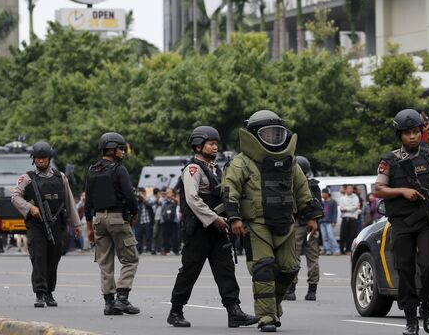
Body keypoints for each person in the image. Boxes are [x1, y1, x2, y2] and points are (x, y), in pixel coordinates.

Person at [222, 110, 322, 332]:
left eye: (277, 134)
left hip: (285, 222)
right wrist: (235, 218)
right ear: (254, 136)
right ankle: (266, 317)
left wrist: (312, 217)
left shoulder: (290, 162)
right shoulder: (241, 163)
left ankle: (273, 304)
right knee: (264, 267)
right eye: (268, 135)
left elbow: (303, 191)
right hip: (256, 224)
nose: (273, 139)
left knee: (289, 269)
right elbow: (230, 192)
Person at [375, 109, 429, 335]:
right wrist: (402, 191)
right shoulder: (389, 161)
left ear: (421, 132)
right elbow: (379, 189)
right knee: (405, 269)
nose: (412, 137)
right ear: (400, 135)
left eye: (415, 132)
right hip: (402, 223)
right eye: (407, 133)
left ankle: (427, 309)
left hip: (427, 221)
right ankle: (411, 318)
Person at [167, 126, 257, 328]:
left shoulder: (217, 169)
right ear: (198, 146)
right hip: (198, 230)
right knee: (189, 271)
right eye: (211, 143)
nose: (215, 147)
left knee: (226, 270)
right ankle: (175, 311)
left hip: (218, 229)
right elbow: (192, 199)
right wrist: (214, 217)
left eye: (216, 143)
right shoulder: (193, 169)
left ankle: (234, 312)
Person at [11, 141, 82, 307]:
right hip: (37, 225)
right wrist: (30, 208)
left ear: (50, 159)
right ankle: (40, 293)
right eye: (37, 158)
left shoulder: (60, 177)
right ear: (33, 159)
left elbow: (69, 201)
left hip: (57, 224)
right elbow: (15, 197)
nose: (41, 161)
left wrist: (77, 224)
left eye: (44, 158)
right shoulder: (26, 178)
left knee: (54, 257)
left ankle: (50, 292)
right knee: (39, 257)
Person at [85, 132, 140, 316]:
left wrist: (89, 227)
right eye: (121, 148)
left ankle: (109, 303)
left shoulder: (92, 170)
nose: (123, 152)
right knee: (130, 259)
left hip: (98, 219)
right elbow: (130, 195)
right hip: (117, 218)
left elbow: (88, 202)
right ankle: (122, 299)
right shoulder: (118, 169)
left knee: (105, 262)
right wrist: (135, 212)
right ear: (112, 149)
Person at [284, 156, 322, 302]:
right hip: (311, 225)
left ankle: (291, 289)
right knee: (313, 258)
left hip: (298, 224)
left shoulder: (296, 184)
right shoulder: (313, 185)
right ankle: (312, 290)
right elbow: (318, 206)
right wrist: (314, 219)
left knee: (293, 257)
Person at [339, 185, 360, 255]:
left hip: (353, 219)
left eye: (351, 188)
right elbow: (341, 208)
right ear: (346, 190)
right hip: (345, 218)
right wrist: (350, 208)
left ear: (353, 190)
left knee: (352, 235)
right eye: (348, 188)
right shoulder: (342, 198)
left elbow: (355, 207)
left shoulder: (355, 197)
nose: (349, 190)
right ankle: (341, 250)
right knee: (342, 235)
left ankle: (349, 250)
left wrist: (346, 208)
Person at [319, 189, 340, 256]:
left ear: (327, 193)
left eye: (323, 193)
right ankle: (327, 250)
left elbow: (335, 212)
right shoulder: (322, 202)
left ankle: (336, 250)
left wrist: (334, 221)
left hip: (329, 222)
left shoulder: (333, 202)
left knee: (331, 236)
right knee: (324, 237)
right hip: (322, 222)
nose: (322, 195)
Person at [135, 188, 154, 255]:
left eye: (143, 193)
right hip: (139, 221)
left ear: (145, 193)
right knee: (138, 236)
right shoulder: (137, 201)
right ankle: (138, 250)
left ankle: (148, 249)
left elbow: (150, 204)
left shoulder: (149, 199)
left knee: (148, 236)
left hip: (147, 221)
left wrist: (143, 197)